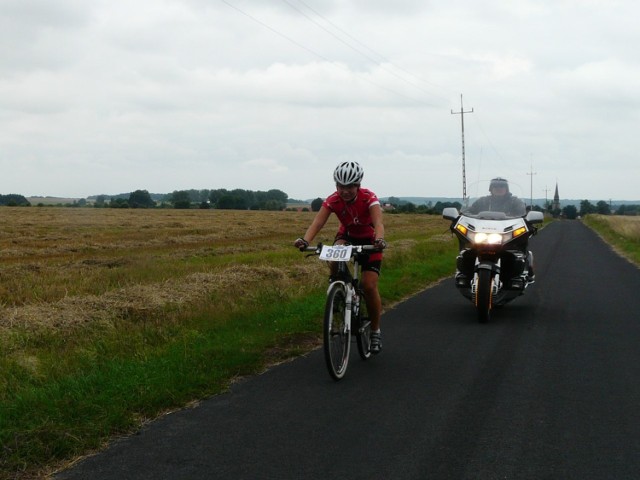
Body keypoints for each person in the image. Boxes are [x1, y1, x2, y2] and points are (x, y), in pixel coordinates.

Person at [294, 161, 387, 354]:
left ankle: (376, 330)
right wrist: (305, 240)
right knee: (335, 251)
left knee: (368, 285)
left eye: (350, 186)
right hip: (348, 236)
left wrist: (379, 239)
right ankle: (337, 287)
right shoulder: (332, 200)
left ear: (358, 185)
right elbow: (317, 223)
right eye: (341, 186)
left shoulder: (369, 198)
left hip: (370, 240)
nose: (345, 191)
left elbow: (378, 223)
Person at [463, 177, 535, 282]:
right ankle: (465, 274)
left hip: (506, 233)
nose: (498, 188)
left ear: (507, 188)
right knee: (468, 251)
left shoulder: (515, 201)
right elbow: (469, 212)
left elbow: (522, 215)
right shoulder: (483, 201)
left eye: (502, 186)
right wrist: (462, 217)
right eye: (495, 186)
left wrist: (528, 221)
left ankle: (526, 271)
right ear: (491, 188)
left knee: (519, 245)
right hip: (484, 232)